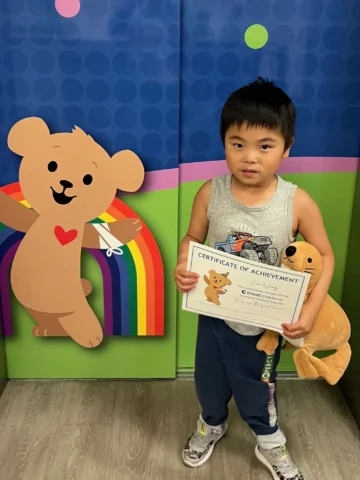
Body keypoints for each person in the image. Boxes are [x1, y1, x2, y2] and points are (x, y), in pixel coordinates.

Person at [173, 77, 334, 480]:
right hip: (214, 312)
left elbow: (326, 255)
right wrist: (183, 264)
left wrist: (311, 308)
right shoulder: (211, 193)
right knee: (209, 381)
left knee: (258, 389)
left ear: (287, 147)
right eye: (237, 144)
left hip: (266, 323)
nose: (250, 157)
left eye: (265, 146)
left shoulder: (296, 202)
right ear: (223, 142)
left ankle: (269, 443)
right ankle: (211, 423)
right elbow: (192, 238)